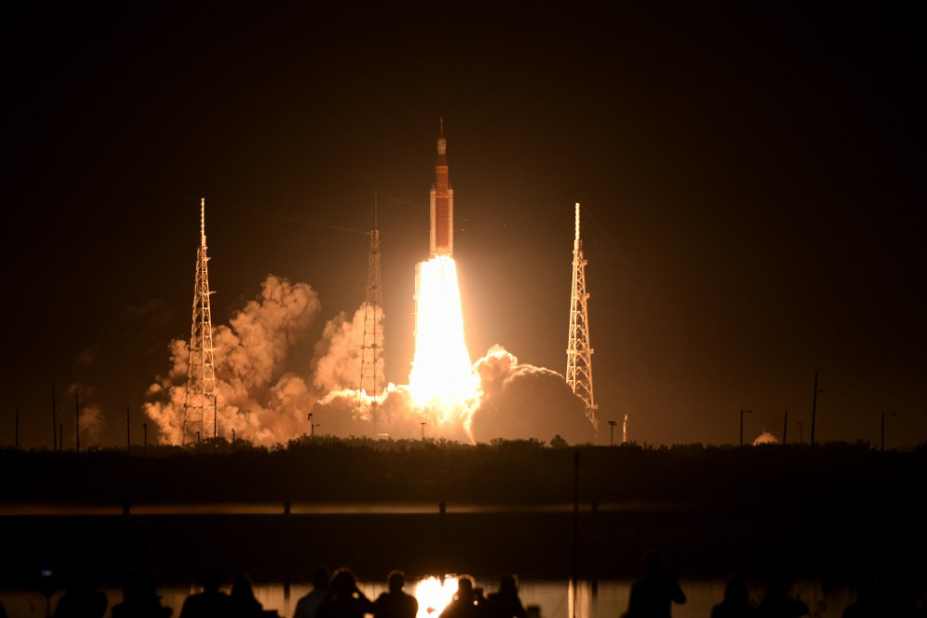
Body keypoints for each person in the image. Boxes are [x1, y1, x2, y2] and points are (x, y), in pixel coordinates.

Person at [625, 552, 686, 618]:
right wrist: (675, 584)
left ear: (646, 566)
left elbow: (632, 611)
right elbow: (681, 600)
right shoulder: (666, 584)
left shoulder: (639, 586)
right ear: (660, 565)